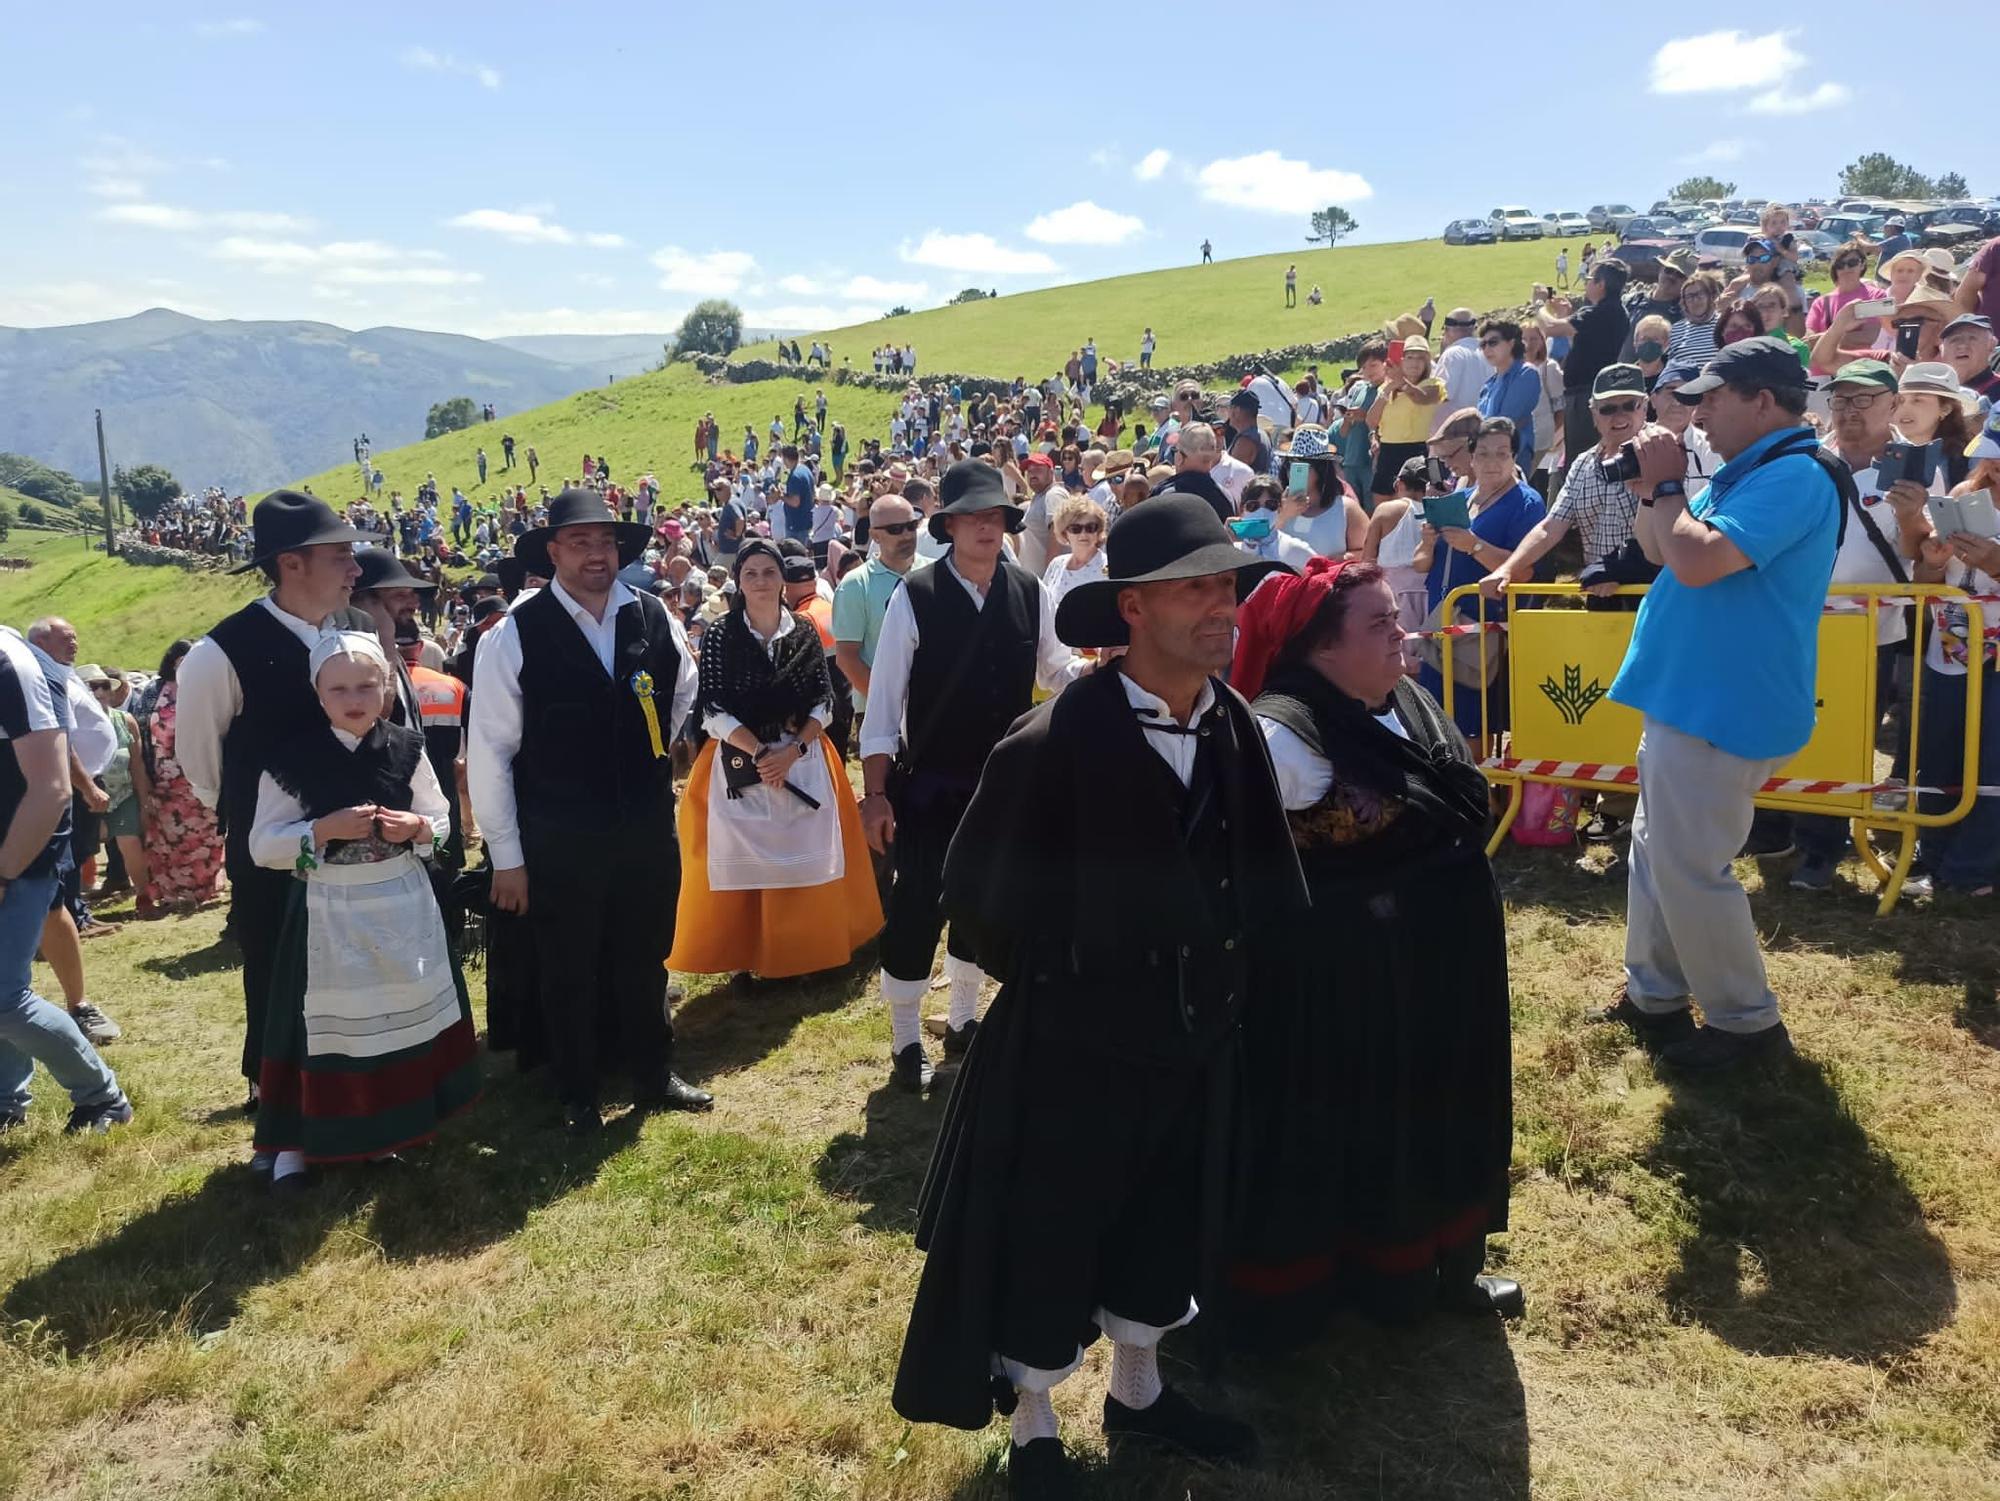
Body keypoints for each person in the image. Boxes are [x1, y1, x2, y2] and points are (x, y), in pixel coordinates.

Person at [892, 495, 1305, 1495]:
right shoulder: (1048, 742)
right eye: (1195, 589)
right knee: (1050, 1228)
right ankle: (1033, 1418)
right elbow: (980, 906)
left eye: (1228, 587)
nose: (1223, 608)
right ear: (1129, 608)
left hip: (1194, 1036)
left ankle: (1138, 1388)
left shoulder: (1231, 726)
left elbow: (1259, 879)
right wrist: (1093, 965)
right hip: (1071, 1044)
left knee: (1165, 1215)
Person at [1227, 557, 1518, 1337]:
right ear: (1322, 647)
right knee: (1366, 1129)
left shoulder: (1405, 697)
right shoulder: (1282, 736)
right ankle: (1346, 1285)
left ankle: (1450, 1261)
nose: (1403, 633)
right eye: (1380, 623)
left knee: (1445, 1110)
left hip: (1441, 969)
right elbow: (1240, 863)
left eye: (1398, 616)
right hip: (1348, 985)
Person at [1596, 338, 1840, 1070]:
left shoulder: (1794, 475)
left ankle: (1746, 1027)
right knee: (1656, 855)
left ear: (1763, 400)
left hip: (1722, 701)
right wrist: (1651, 492)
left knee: (1691, 867)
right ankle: (1656, 997)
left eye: (1712, 398)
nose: (1696, 413)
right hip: (1691, 696)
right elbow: (1661, 545)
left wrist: (1671, 488)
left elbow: (1697, 562)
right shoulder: (1752, 470)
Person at [466, 489, 711, 1133]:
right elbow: (489, 750)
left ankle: (653, 1075)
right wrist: (508, 857)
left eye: (604, 542)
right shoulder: (515, 632)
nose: (595, 554)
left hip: (644, 824)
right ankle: (577, 1092)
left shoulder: (653, 614)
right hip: (559, 833)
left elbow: (683, 690)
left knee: (646, 952)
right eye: (579, 542)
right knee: (568, 962)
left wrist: (660, 752)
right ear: (552, 553)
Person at [857, 461, 1083, 1093]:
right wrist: (875, 794)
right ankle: (905, 1040)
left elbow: (1056, 667)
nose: (987, 528)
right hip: (930, 786)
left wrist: (1098, 674)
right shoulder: (917, 595)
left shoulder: (1029, 589)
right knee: (919, 906)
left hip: (1006, 786)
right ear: (950, 525)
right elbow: (883, 708)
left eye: (997, 517)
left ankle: (962, 1020)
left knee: (986, 903)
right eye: (974, 518)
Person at [247, 630, 477, 1192]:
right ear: (318, 694)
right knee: (317, 1029)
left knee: (395, 1012)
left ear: (386, 690)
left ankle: (387, 1128)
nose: (354, 698)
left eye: (366, 686)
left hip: (401, 903)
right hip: (329, 908)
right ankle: (295, 1147)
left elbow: (442, 817)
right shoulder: (291, 758)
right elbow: (262, 844)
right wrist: (320, 830)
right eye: (339, 688)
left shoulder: (407, 747)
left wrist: (417, 827)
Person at [177, 492, 372, 1122]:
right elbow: (201, 761)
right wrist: (251, 819)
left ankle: (352, 1084)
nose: (355, 568)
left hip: (353, 838)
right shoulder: (221, 653)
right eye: (340, 555)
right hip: (272, 847)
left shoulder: (353, 634)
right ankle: (274, 1089)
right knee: (276, 962)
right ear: (292, 563)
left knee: (349, 961)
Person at [665, 540, 881, 979]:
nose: (760, 581)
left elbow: (824, 701)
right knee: (743, 863)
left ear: (783, 579)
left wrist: (794, 750)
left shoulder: (802, 630)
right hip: (740, 757)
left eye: (768, 572)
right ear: (739, 582)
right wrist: (762, 753)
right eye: (750, 573)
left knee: (806, 855)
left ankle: (805, 952)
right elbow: (712, 708)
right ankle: (747, 955)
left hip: (802, 755)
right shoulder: (723, 634)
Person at [0, 626, 133, 1134]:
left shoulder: (11, 664)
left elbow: (51, 788)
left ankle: (103, 1097)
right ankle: (6, 1099)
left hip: (20, 854)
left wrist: (5, 870)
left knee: (4, 999)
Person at [1413, 417, 1547, 746]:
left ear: (1515, 457)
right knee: (1434, 727)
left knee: (1472, 732)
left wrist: (1473, 545)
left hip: (1479, 636)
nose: (1492, 462)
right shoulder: (1462, 498)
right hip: (1439, 629)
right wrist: (1428, 542)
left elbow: (1526, 571)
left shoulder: (1527, 503)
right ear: (1471, 458)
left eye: (1502, 453)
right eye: (1484, 453)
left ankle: (1481, 797)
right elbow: (1421, 564)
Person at [1481, 364, 1652, 608]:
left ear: (1644, 407)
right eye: (1608, 408)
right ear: (1593, 413)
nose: (1619, 416)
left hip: (1653, 593)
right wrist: (1507, 569)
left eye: (1629, 405)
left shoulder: (1664, 451)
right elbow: (1550, 528)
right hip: (1601, 593)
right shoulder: (1583, 464)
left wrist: (1621, 569)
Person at [138, 640, 224, 914]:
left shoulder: (207, 689)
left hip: (200, 773)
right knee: (168, 837)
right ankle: (173, 891)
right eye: (181, 660)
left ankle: (206, 888)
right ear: (171, 661)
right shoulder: (154, 690)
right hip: (164, 779)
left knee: (207, 834)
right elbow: (139, 731)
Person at [1536, 258, 1633, 485]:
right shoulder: (1614, 313)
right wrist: (1566, 314)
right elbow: (1582, 345)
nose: (1586, 284)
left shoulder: (1600, 313)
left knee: (1580, 458)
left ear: (1601, 284)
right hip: (1589, 392)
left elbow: (1550, 329)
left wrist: (1539, 306)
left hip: (1585, 395)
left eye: (1589, 279)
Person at [82, 668, 150, 914]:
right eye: (92, 686)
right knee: (81, 851)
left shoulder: (125, 720)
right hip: (87, 797)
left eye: (104, 685)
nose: (100, 691)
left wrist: (144, 802)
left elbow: (137, 764)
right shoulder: (74, 724)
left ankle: (144, 896)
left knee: (130, 842)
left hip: (123, 794)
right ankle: (73, 908)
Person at [1367, 337, 1446, 499]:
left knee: (1427, 503)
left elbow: (1422, 398)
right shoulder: (1386, 387)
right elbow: (1371, 420)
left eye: (1420, 358)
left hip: (1423, 452)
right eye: (1409, 357)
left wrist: (1401, 383)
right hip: (1388, 452)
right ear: (1401, 360)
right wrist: (1390, 387)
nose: (1414, 363)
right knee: (1384, 506)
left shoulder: (1434, 384)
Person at [1275, 425, 1366, 559]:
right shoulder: (1274, 505)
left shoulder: (1347, 509)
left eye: (1303, 465)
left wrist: (1335, 562)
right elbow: (1258, 545)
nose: (1292, 471)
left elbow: (1367, 551)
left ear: (1321, 469)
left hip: (1330, 579)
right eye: (1290, 463)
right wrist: (1282, 516)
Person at [1476, 319, 1539, 467]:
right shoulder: (1488, 385)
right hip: (1485, 457)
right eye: (1483, 345)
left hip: (1512, 456)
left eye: (1493, 342)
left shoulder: (1526, 373)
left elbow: (1504, 422)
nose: (1487, 349)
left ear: (1511, 343)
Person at [1041, 491, 1109, 608]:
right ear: (1064, 533)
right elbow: (1045, 606)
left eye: (1090, 527)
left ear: (1099, 531)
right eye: (1075, 528)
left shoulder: (1108, 568)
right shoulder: (1056, 565)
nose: (1083, 534)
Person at [1434, 308, 1488, 415]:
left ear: (1448, 329)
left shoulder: (1452, 354)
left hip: (1458, 426)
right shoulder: (1488, 352)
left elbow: (1441, 395)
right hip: (1484, 422)